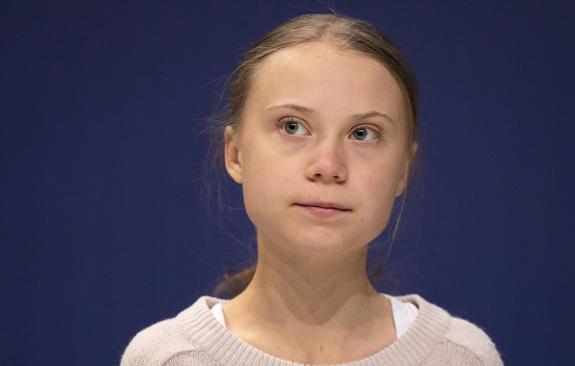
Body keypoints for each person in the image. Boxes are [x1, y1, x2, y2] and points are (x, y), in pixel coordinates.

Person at [121, 13, 503, 366]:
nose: (328, 167)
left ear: (403, 168)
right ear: (236, 154)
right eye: (292, 126)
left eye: (362, 134)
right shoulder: (166, 358)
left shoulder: (462, 357)